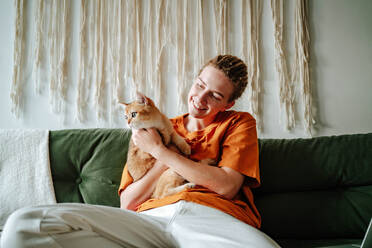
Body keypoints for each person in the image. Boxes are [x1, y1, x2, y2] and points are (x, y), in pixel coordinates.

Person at [1, 55, 280, 248]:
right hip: (148, 221)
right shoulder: (153, 128)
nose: (201, 97)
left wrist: (160, 150)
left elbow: (226, 186)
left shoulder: (238, 123)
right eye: (199, 84)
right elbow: (128, 203)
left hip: (210, 219)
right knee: (25, 225)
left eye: (215, 96)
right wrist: (159, 157)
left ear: (228, 104)